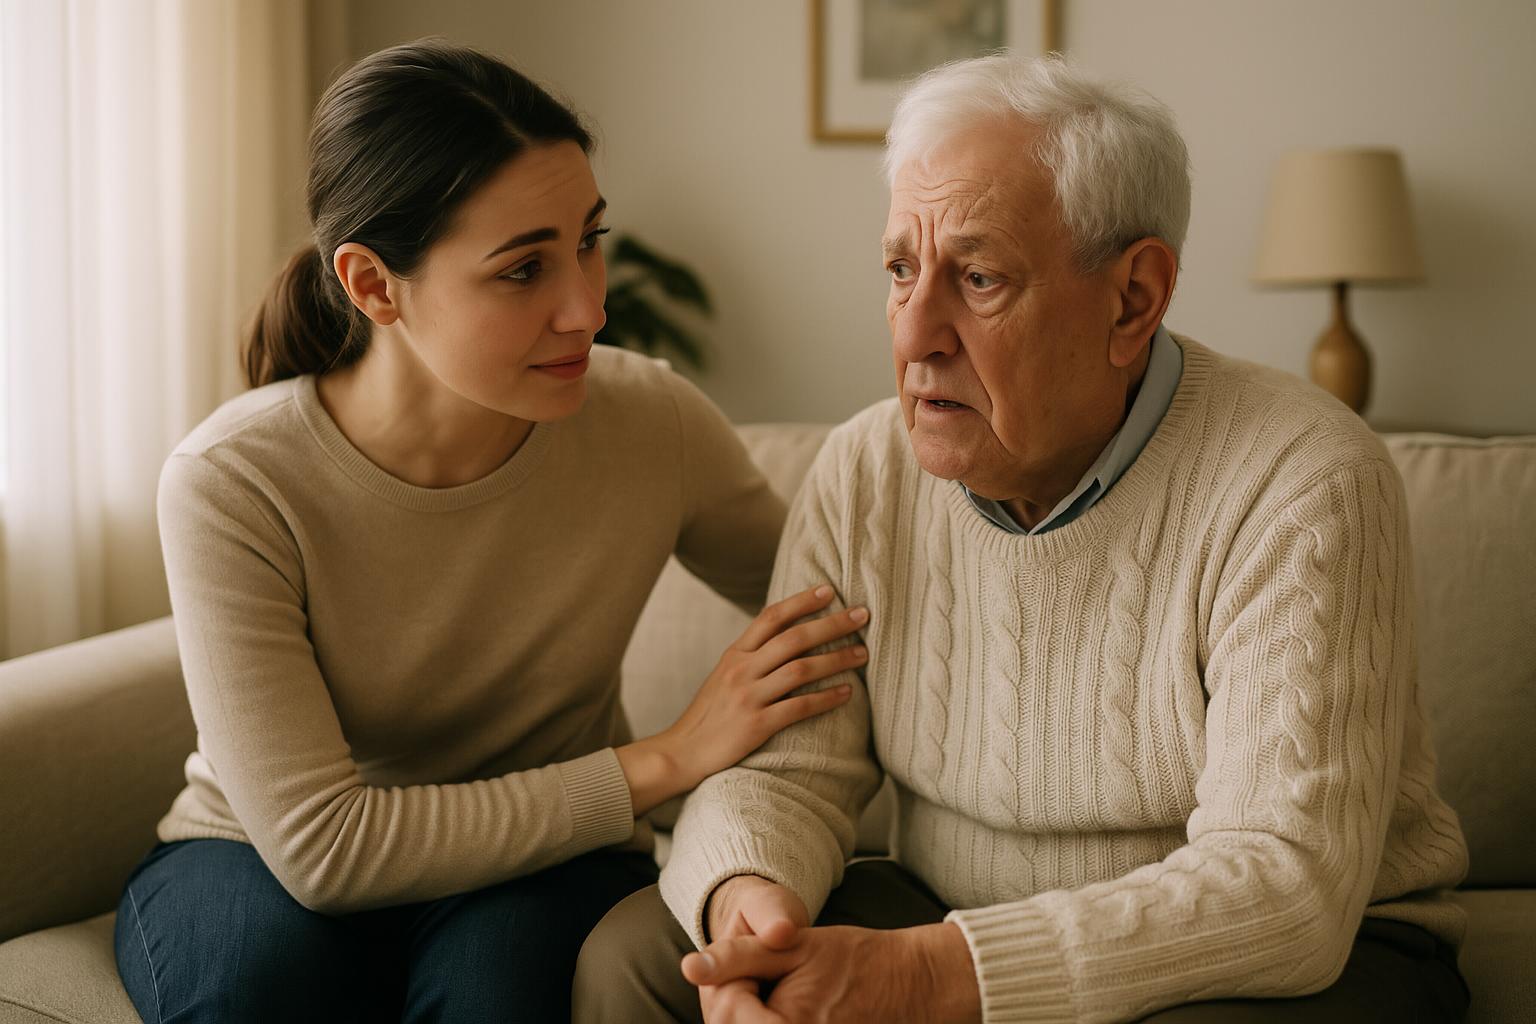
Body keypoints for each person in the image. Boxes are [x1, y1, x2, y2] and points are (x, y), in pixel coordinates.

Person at [575, 53, 1470, 1023]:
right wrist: (753, 921)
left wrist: (930, 975)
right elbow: (785, 773)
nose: (914, 335)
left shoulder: (1300, 478)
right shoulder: (864, 470)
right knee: (641, 959)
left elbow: (1284, 887)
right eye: (901, 269)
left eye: (980, 278)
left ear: (1133, 300)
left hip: (1283, 953)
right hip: (947, 906)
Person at [112, 39, 868, 1024]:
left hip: (546, 867)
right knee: (253, 994)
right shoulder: (233, 481)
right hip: (255, 857)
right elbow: (323, 847)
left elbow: (847, 612)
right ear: (373, 285)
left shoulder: (653, 424)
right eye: (523, 270)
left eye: (589, 240)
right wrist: (668, 758)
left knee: (496, 1000)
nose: (588, 308)